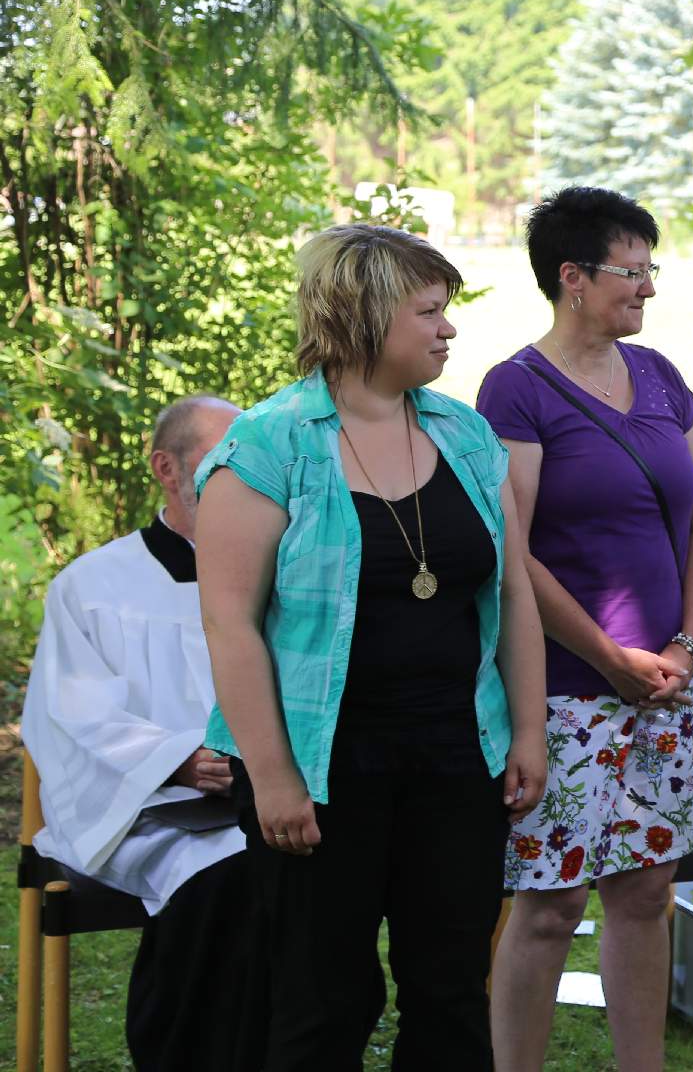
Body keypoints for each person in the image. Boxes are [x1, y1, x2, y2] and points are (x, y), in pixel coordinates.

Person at [193, 224, 549, 1070]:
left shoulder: (465, 437)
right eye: (429, 311)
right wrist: (274, 778)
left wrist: (528, 732)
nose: (448, 329)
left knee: (451, 988)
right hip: (322, 768)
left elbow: (512, 592)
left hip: (457, 759)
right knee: (323, 999)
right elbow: (229, 625)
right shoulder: (265, 447)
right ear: (363, 317)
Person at [476, 185, 693, 1071]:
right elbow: (513, 551)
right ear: (572, 277)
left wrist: (681, 649)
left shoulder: (659, 376)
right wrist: (608, 657)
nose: (649, 289)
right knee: (547, 904)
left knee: (647, 891)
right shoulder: (515, 389)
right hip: (567, 692)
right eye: (634, 271)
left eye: (651, 270)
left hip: (664, 686)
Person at [21, 394, 256, 1070]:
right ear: (166, 468)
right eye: (220, 464)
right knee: (227, 874)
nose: (241, 480)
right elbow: (71, 714)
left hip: (260, 797)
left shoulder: (277, 576)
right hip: (142, 807)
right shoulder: (94, 585)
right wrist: (177, 761)